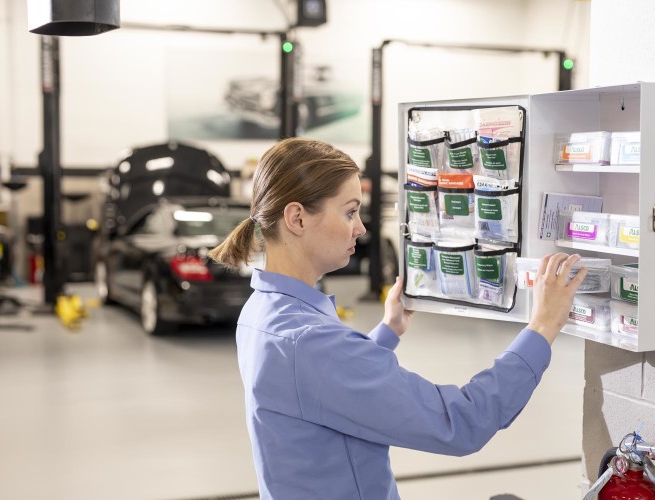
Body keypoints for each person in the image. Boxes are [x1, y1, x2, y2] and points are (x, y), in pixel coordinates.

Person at [209, 137, 587, 500]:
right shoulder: (309, 343)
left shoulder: (262, 312)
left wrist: (388, 331)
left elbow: (318, 388)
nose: (361, 228)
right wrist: (542, 327)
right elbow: (461, 423)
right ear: (297, 218)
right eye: (350, 211)